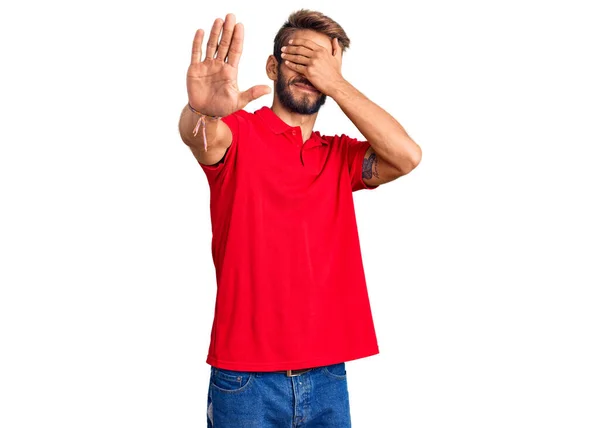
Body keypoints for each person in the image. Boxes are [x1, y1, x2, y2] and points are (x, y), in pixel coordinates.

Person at [178, 9, 422, 428]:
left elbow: (407, 156)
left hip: (327, 375)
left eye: (322, 63)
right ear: (273, 66)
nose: (311, 73)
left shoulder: (338, 155)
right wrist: (201, 112)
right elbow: (201, 137)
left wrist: (336, 82)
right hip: (245, 380)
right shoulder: (237, 133)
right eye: (299, 59)